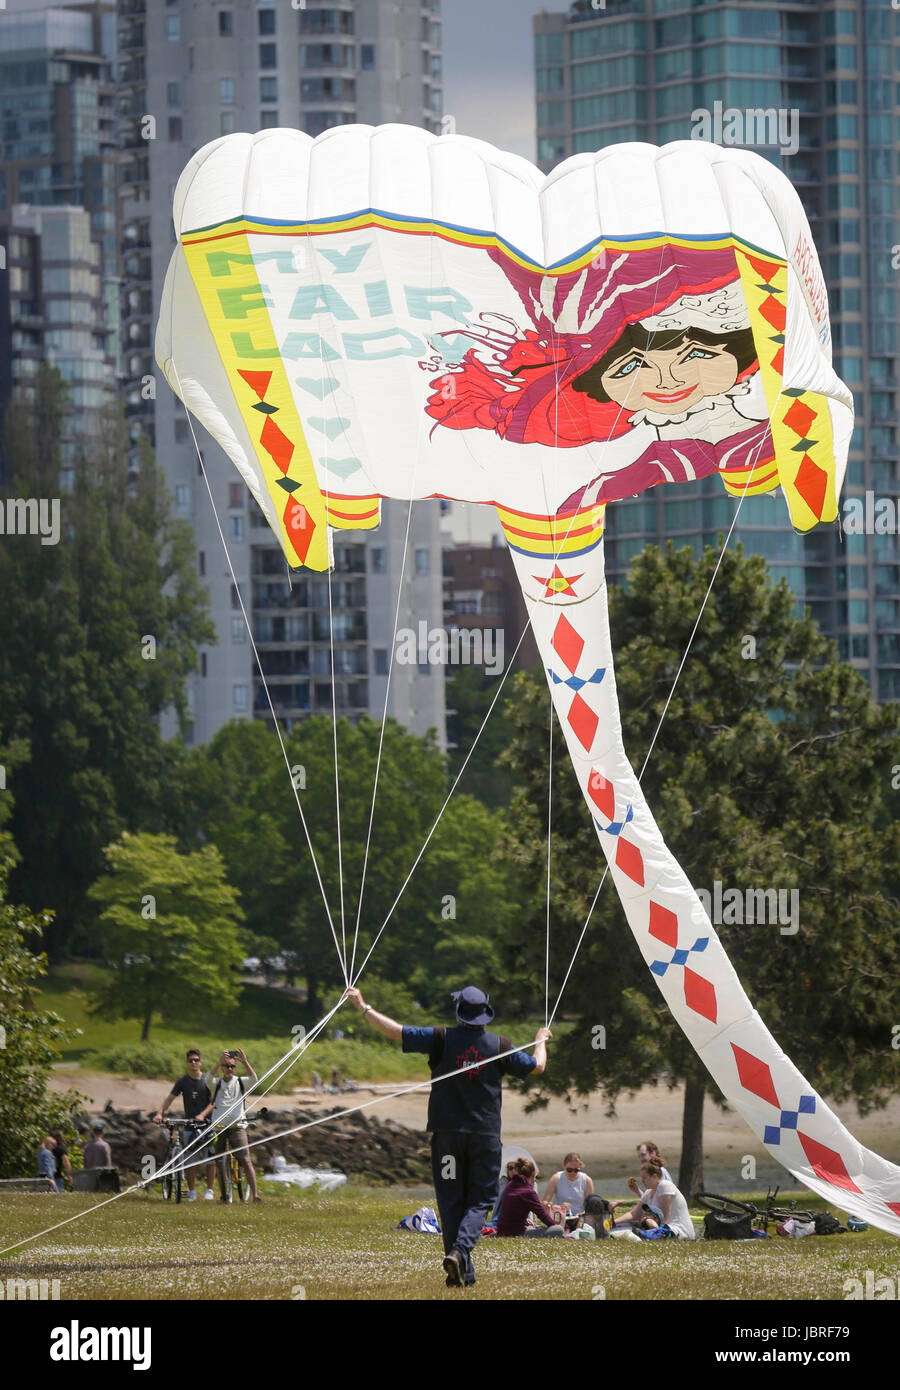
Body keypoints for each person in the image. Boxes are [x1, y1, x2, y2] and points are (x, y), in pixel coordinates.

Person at [346, 983, 551, 1288]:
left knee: (451, 1201)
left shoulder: (440, 1038)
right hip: (483, 1138)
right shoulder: (501, 1045)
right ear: (485, 1014)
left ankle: (461, 1273)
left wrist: (362, 1006)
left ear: (459, 1012)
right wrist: (540, 1040)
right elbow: (538, 1066)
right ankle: (460, 1254)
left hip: (446, 1138)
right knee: (481, 1200)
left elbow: (395, 1031)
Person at [195, 1048, 260, 1203]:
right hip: (218, 1128)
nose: (230, 1069)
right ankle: (225, 1195)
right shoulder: (216, 1083)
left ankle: (256, 1195)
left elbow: (254, 1079)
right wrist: (219, 1062)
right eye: (227, 1066)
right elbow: (207, 1079)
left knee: (245, 1159)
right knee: (219, 1160)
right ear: (222, 1068)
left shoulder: (240, 1082)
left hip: (237, 1126)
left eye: (232, 1066)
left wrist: (244, 1061)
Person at [153, 1048, 217, 1201]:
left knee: (211, 1158)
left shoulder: (207, 1080)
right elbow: (169, 1099)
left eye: (196, 1060)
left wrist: (202, 1115)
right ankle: (192, 1191)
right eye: (191, 1060)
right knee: (189, 1160)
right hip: (189, 1124)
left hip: (207, 1124)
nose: (194, 1062)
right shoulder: (183, 1081)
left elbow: (213, 1102)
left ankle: (209, 1190)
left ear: (200, 1062)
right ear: (187, 1063)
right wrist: (159, 1113)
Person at [496, 1158, 564, 1238]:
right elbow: (542, 1214)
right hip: (516, 1234)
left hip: (501, 1231)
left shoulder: (510, 1184)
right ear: (533, 1174)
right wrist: (554, 1225)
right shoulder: (528, 1192)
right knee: (559, 1229)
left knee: (534, 1227)